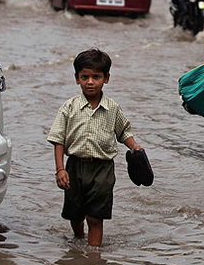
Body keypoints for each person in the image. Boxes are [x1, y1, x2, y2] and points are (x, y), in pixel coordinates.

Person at [48, 48, 144, 247]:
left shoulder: (113, 108)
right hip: (74, 166)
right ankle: (78, 237)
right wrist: (60, 169)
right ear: (77, 79)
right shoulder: (69, 107)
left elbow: (123, 132)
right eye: (84, 77)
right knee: (75, 213)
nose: (90, 82)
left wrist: (135, 146)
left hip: (103, 169)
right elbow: (59, 139)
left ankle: (93, 258)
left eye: (96, 77)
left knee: (95, 217)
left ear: (106, 78)